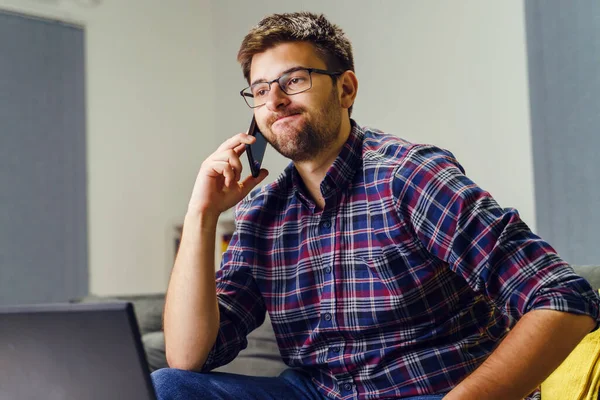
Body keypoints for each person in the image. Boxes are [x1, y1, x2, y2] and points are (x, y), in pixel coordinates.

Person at [151, 11, 600, 400]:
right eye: (261, 90)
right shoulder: (262, 212)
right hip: (314, 391)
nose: (276, 101)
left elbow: (562, 296)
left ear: (345, 89)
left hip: (429, 389)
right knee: (167, 387)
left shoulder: (409, 176)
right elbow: (189, 356)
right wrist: (202, 215)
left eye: (294, 80)